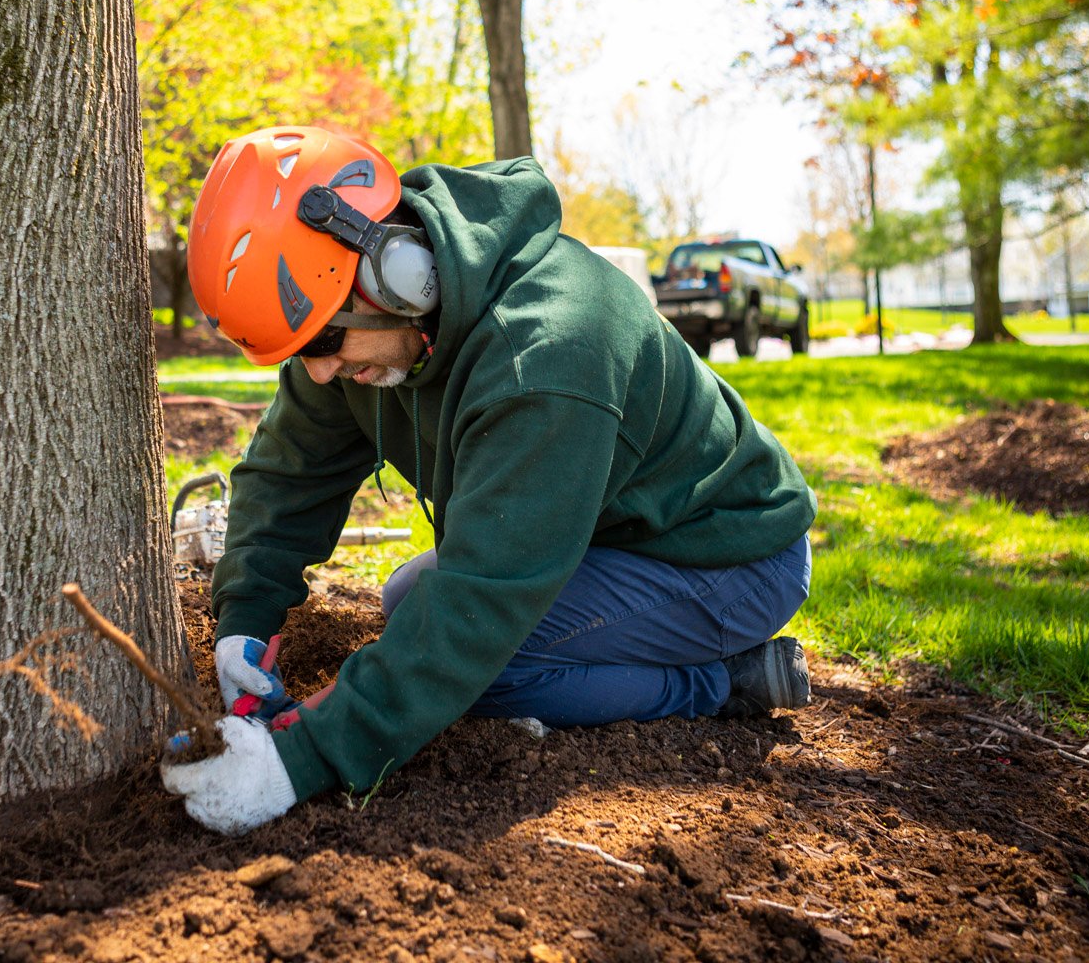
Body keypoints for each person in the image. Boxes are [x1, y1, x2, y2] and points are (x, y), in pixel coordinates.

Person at [160, 125, 816, 835]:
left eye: (321, 342)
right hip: (606, 535)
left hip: (726, 554)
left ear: (398, 271)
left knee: (482, 666)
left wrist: (299, 761)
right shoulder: (359, 326)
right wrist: (245, 623)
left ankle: (720, 681)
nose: (316, 371)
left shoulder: (548, 355)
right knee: (408, 597)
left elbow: (478, 611)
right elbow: (288, 474)